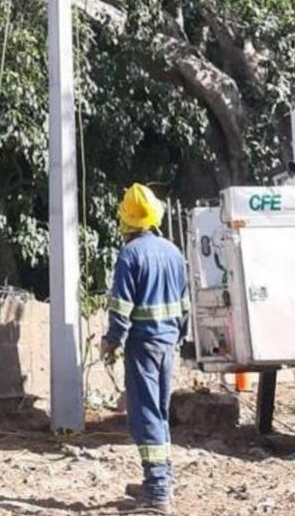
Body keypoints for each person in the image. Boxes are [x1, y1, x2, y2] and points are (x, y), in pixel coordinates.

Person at [101, 183, 189, 514]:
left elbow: (121, 307)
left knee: (146, 415)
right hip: (168, 344)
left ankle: (158, 493)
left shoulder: (130, 254)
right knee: (159, 413)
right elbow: (184, 306)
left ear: (126, 219)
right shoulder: (173, 252)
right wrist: (179, 336)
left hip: (143, 346)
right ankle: (160, 482)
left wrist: (111, 342)